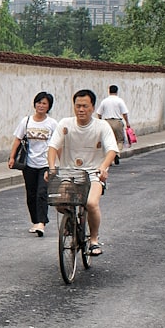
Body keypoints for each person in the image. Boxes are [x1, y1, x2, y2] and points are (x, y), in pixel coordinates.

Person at [46, 89, 119, 257]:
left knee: (91, 204)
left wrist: (103, 167)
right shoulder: (65, 124)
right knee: (58, 202)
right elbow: (52, 146)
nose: (81, 109)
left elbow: (112, 150)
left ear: (92, 107)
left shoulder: (101, 126)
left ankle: (93, 240)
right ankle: (70, 220)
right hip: (68, 174)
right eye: (77, 106)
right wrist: (51, 167)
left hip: (93, 174)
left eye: (85, 106)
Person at [7, 92, 57, 237]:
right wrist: (12, 157)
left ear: (49, 106)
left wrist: (60, 162)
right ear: (35, 104)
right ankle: (35, 221)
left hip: (45, 164)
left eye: (44, 103)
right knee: (31, 194)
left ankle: (41, 223)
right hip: (29, 164)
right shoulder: (26, 121)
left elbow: (57, 144)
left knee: (42, 193)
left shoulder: (52, 124)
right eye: (39, 102)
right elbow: (18, 139)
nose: (41, 106)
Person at [95, 84, 132, 165]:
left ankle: (109, 158)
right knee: (119, 140)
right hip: (117, 122)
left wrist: (100, 121)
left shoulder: (104, 101)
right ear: (117, 91)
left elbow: (99, 113)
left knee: (108, 141)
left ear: (109, 91)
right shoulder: (119, 101)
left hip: (107, 122)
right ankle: (116, 154)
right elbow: (124, 113)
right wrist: (127, 123)